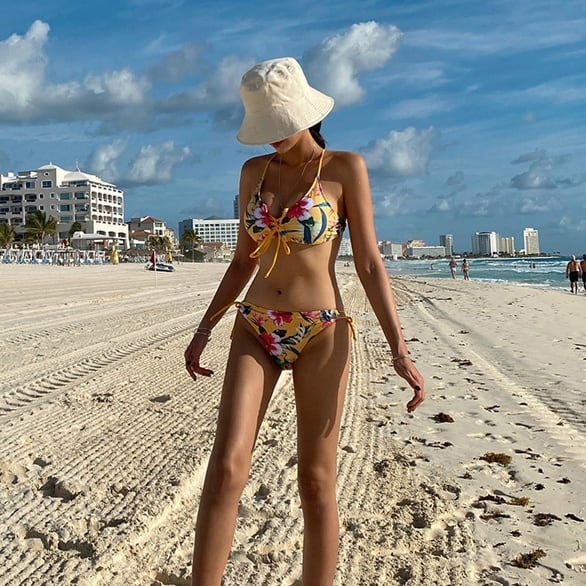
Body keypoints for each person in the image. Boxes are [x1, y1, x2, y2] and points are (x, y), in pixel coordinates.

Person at [183, 57, 425, 586]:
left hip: (321, 330)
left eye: (278, 123)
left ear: (305, 114)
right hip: (255, 326)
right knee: (225, 471)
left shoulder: (345, 169)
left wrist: (399, 349)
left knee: (316, 483)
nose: (271, 137)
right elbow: (242, 261)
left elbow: (369, 264)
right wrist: (204, 328)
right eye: (263, 126)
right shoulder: (253, 173)